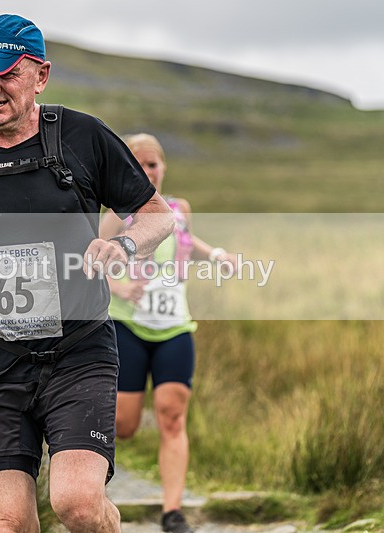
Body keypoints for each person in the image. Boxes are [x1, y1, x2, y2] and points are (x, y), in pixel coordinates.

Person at [0, 15, 173, 533]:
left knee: (76, 504)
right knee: (10, 524)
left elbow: (159, 216)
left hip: (79, 352)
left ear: (41, 75)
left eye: (4, 74)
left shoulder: (84, 135)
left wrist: (122, 244)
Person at [100, 133, 237, 533]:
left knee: (172, 417)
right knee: (123, 424)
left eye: (154, 163)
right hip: (127, 325)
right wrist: (120, 287)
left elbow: (184, 241)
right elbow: (88, 261)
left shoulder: (179, 209)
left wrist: (215, 255)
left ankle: (172, 512)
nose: (148, 171)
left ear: (164, 167)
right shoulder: (116, 215)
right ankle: (88, 483)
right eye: (138, 163)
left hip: (175, 326)